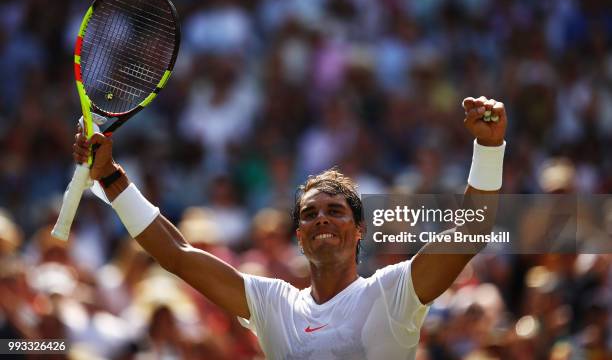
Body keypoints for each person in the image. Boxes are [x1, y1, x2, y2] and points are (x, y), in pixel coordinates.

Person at [71, 96, 507, 359]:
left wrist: (488, 149)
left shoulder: (393, 292)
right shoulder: (271, 302)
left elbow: (467, 236)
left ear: (359, 232)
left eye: (336, 211)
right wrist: (112, 179)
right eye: (310, 214)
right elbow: (175, 254)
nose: (321, 218)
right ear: (298, 237)